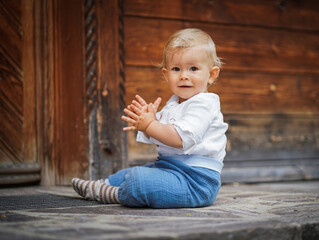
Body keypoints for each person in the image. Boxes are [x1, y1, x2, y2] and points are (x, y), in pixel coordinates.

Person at [72, 28, 228, 208]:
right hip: (169, 169)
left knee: (138, 180)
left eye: (193, 68)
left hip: (196, 181)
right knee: (127, 174)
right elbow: (160, 133)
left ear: (211, 74)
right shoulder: (174, 103)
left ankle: (115, 193)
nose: (184, 75)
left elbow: (179, 138)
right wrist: (146, 121)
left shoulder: (204, 103)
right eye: (176, 69)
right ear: (166, 74)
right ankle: (102, 185)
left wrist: (150, 124)